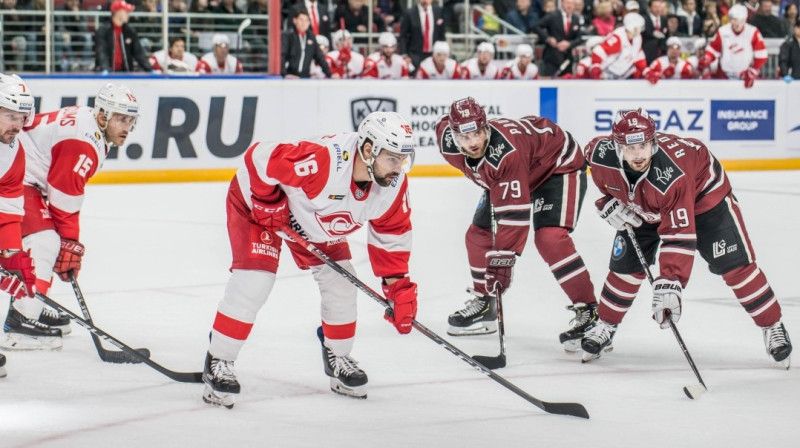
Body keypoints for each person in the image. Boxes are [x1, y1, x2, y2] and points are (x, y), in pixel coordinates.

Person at [201, 111, 418, 408]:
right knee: (255, 280)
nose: (399, 167)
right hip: (257, 207)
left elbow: (392, 234)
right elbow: (259, 158)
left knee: (342, 282)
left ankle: (337, 356)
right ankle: (219, 359)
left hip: (315, 221)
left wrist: (398, 288)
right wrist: (266, 201)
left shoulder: (392, 187)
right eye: (393, 158)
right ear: (369, 150)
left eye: (404, 159)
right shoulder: (326, 161)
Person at [581, 109, 792, 367]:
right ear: (617, 146)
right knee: (625, 267)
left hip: (704, 199)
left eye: (644, 145)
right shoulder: (599, 154)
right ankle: (606, 324)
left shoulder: (672, 174)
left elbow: (678, 234)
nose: (638, 154)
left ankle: (772, 325)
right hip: (643, 204)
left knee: (736, 266)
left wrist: (671, 280)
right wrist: (606, 202)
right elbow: (583, 168)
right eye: (630, 147)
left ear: (653, 142)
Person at [434, 98, 598, 352]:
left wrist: (502, 262)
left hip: (556, 167)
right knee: (477, 234)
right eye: (464, 138)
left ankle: (589, 311)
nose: (473, 143)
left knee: (550, 238)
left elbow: (514, 218)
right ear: (453, 135)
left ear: (485, 126)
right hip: (516, 172)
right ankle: (486, 302)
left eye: (477, 133)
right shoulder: (446, 138)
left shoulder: (505, 154)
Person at [4, 83, 140, 351]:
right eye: (120, 119)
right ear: (103, 115)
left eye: (130, 120)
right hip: (18, 177)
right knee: (45, 241)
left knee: (49, 240)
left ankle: (33, 301)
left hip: (25, 173)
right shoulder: (84, 142)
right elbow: (64, 197)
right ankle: (21, 320)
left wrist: (68, 242)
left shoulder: (89, 122)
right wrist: (70, 243)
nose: (126, 127)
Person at [0, 74, 38, 359]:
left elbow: (8, 209)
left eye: (22, 117)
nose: (18, 125)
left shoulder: (14, 152)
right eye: (11, 115)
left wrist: (12, 256)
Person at [700, 4, 767, 88]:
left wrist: (752, 71)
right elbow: (713, 49)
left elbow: (762, 55)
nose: (737, 24)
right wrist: (707, 58)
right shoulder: (723, 31)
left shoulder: (753, 32)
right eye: (734, 20)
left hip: (745, 75)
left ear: (745, 20)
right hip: (724, 75)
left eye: (740, 21)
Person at [94, 0, 155, 73]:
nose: (129, 14)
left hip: (126, 73)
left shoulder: (130, 31)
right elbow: (101, 52)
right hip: (108, 73)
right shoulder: (103, 31)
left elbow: (138, 52)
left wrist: (149, 69)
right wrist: (105, 69)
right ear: (118, 12)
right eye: (126, 12)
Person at [590, 12, 647, 79]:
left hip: (622, 74)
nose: (639, 30)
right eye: (638, 28)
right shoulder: (618, 36)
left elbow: (638, 55)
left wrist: (646, 71)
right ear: (631, 27)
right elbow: (598, 51)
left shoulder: (638, 38)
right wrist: (596, 66)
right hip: (607, 72)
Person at [533, 0, 583, 77]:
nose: (569, 6)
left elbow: (580, 38)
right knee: (550, 84)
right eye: (567, 3)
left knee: (567, 85)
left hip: (567, 59)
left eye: (572, 3)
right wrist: (548, 39)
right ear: (562, 3)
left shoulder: (576, 19)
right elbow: (536, 26)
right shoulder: (553, 16)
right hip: (552, 58)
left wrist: (569, 44)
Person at [398, 0, 446, 76]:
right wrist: (405, 55)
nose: (425, 1)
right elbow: (403, 36)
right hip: (415, 55)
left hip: (434, 55)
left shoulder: (438, 11)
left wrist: (442, 52)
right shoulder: (409, 13)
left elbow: (441, 34)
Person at [281, 10, 332, 79]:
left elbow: (320, 57)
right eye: (301, 20)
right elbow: (282, 56)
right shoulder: (288, 36)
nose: (304, 23)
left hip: (305, 77)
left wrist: (330, 74)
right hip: (290, 76)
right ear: (295, 20)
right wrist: (284, 74)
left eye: (306, 20)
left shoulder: (311, 37)